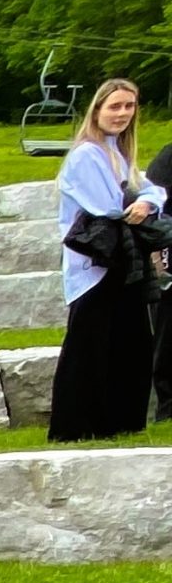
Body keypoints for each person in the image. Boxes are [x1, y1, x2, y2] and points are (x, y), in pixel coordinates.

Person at [50, 80, 165, 445]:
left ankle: (120, 423)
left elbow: (151, 190)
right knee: (90, 345)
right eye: (115, 106)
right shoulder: (86, 154)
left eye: (129, 106)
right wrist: (141, 201)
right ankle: (75, 426)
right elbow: (111, 206)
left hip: (122, 259)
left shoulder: (119, 152)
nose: (123, 113)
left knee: (129, 343)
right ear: (97, 109)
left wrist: (146, 201)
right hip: (95, 263)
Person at [150, 127, 172, 420]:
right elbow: (155, 205)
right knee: (168, 332)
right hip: (168, 255)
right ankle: (167, 407)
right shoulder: (169, 156)